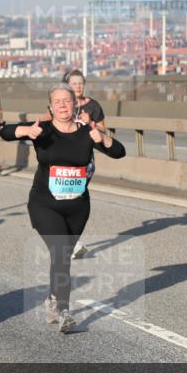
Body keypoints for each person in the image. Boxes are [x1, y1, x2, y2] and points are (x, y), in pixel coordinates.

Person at [0, 84, 125, 333]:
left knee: (64, 256)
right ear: (50, 107)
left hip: (77, 207)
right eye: (57, 102)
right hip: (44, 203)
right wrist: (26, 130)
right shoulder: (42, 130)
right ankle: (64, 311)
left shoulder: (86, 131)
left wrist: (104, 138)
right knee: (60, 251)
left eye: (67, 101)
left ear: (75, 104)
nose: (63, 105)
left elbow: (119, 152)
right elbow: (4, 132)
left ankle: (53, 299)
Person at [63, 69, 106, 260]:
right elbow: (48, 123)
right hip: (64, 159)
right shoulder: (62, 104)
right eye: (74, 83)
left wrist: (92, 124)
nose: (78, 87)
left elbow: (104, 129)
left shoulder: (94, 106)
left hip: (85, 159)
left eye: (80, 83)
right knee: (66, 199)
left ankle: (70, 242)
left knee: (76, 198)